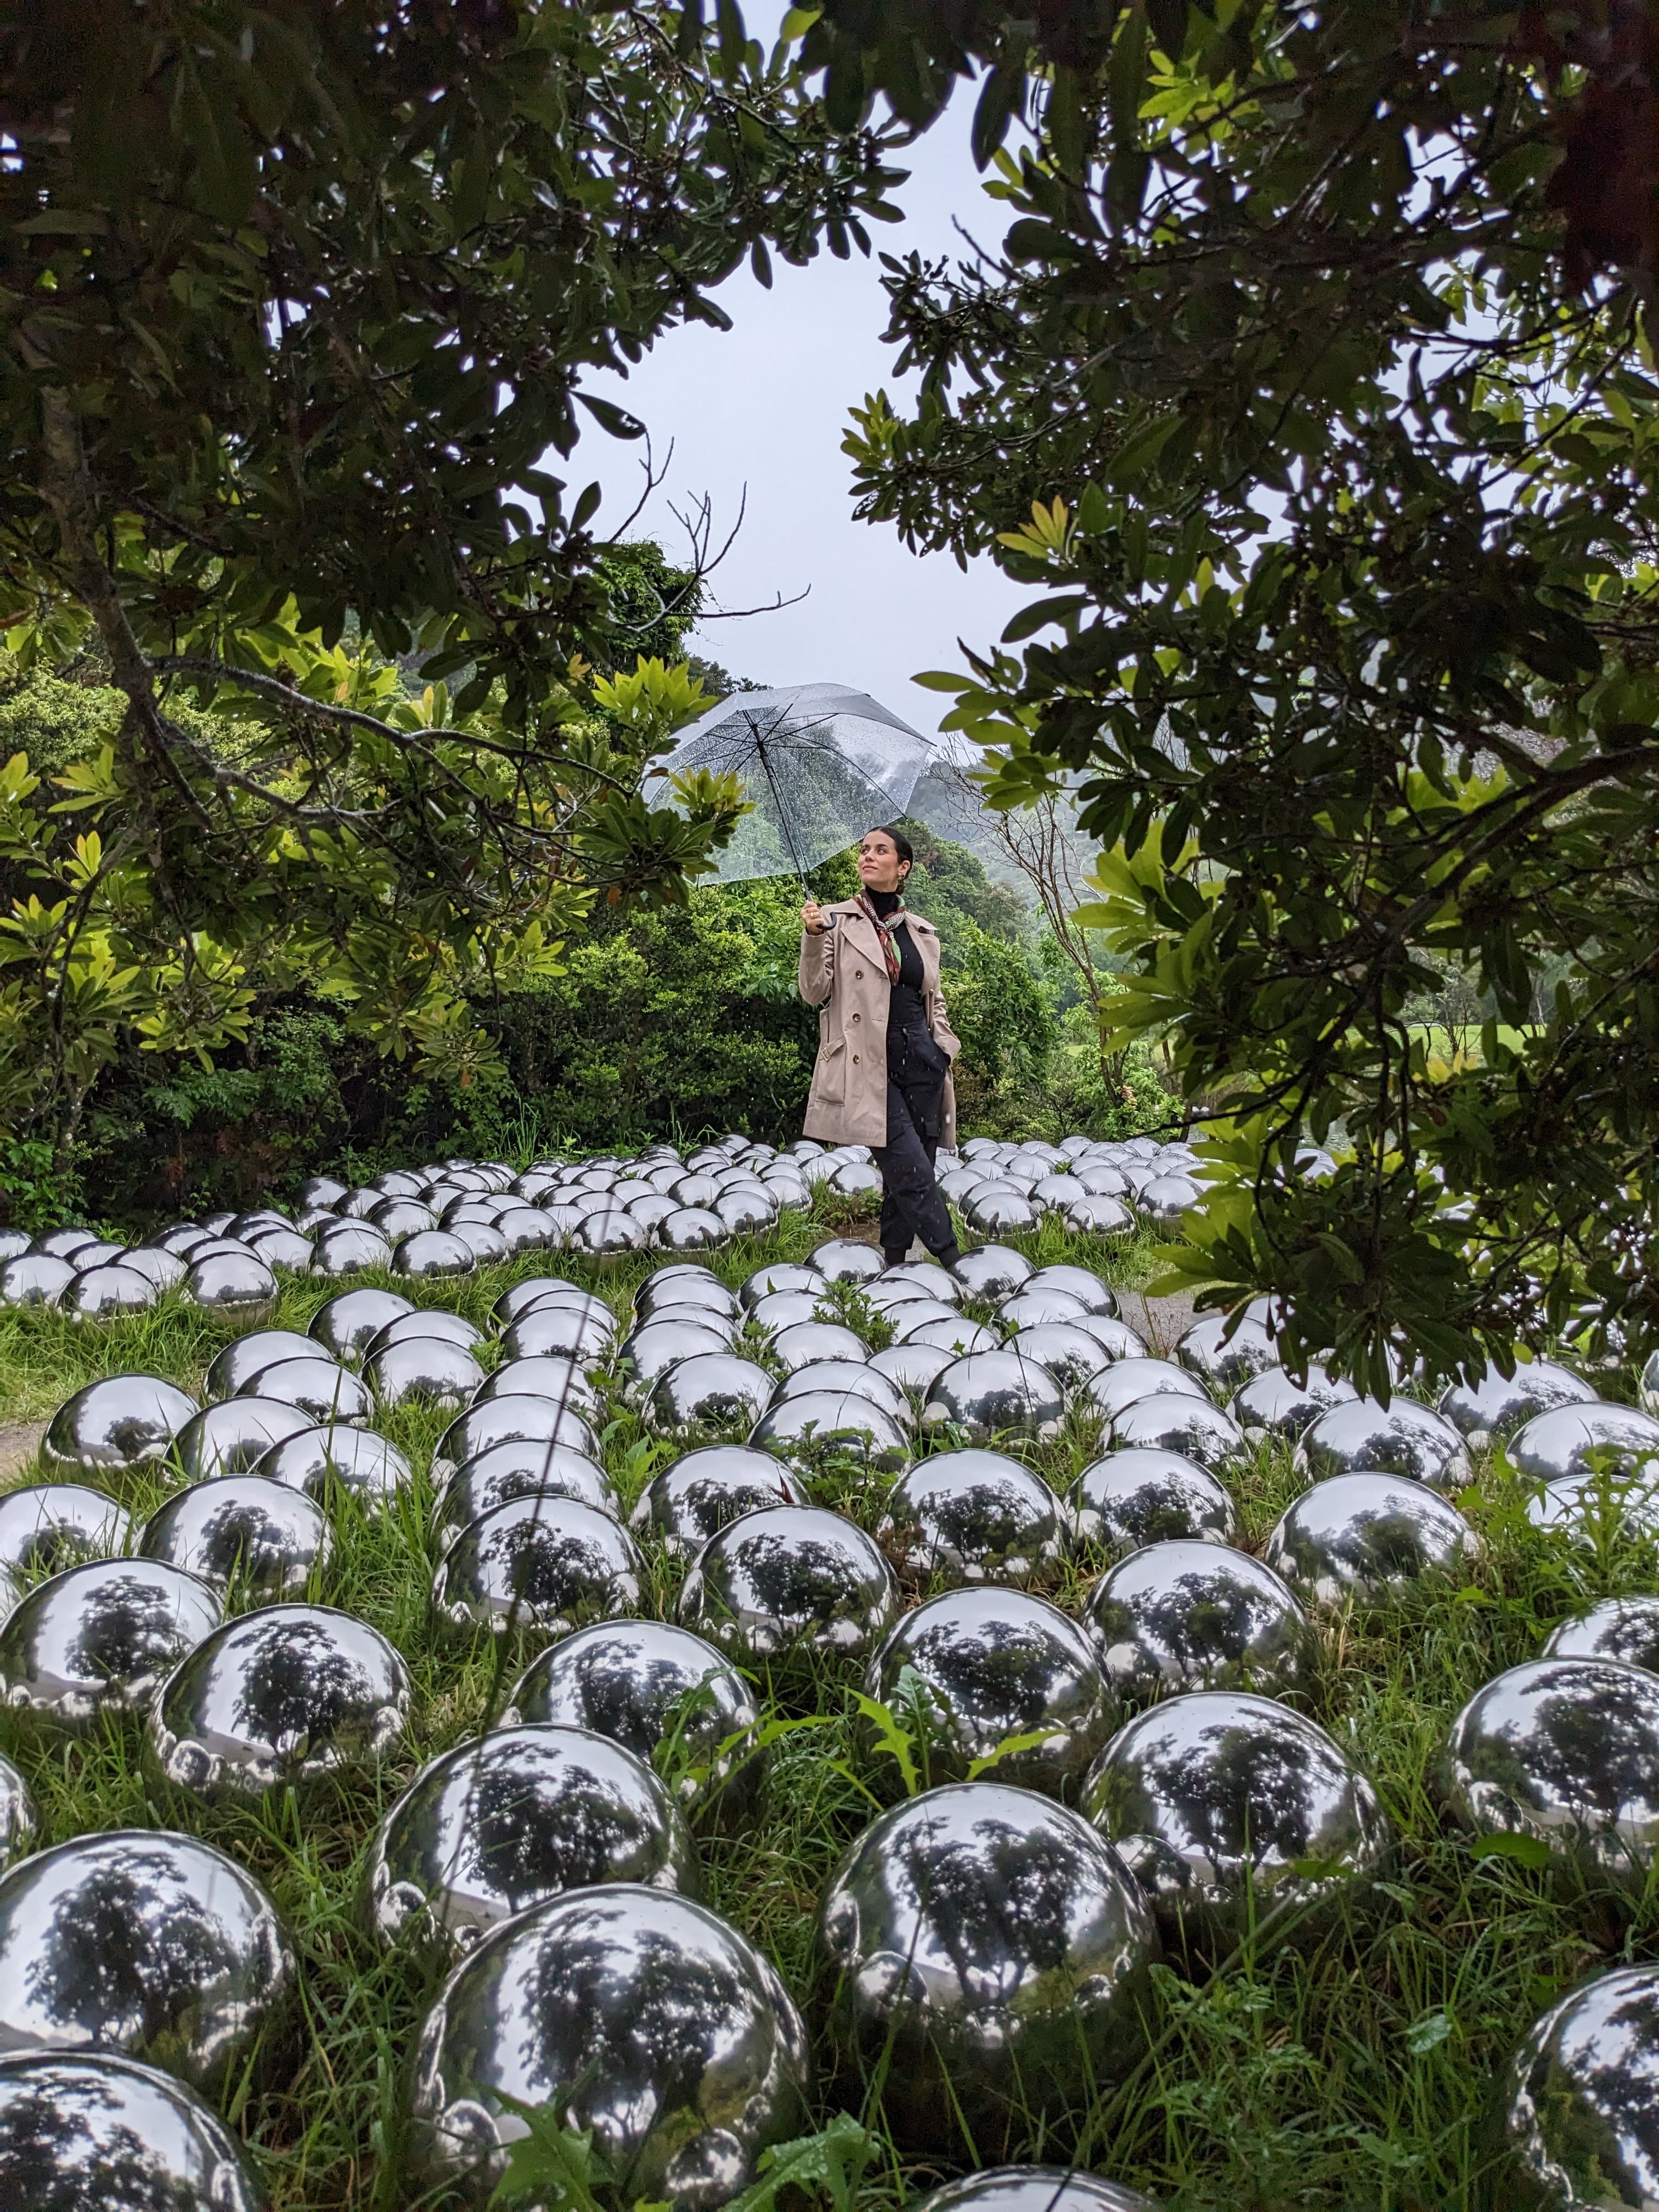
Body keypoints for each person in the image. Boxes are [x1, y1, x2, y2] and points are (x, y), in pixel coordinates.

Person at [799, 825, 964, 1271]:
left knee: (910, 1170)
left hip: (923, 1059)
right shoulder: (832, 920)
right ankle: (955, 1261)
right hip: (867, 1062)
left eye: (880, 850)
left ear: (903, 867)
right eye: (864, 850)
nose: (867, 857)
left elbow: (933, 996)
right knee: (909, 1165)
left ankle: (895, 1265)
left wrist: (943, 1046)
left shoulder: (920, 931)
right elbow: (814, 992)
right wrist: (813, 938)